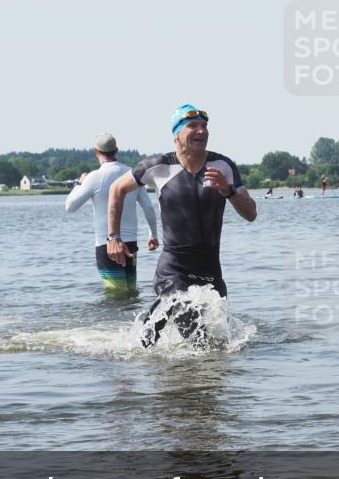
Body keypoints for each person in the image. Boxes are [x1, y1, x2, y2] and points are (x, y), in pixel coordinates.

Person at [107, 105, 257, 346]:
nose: (201, 131)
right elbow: (117, 189)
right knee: (194, 334)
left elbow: (250, 213)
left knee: (212, 342)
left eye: (204, 126)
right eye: (193, 126)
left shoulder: (223, 166)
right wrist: (113, 237)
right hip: (174, 269)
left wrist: (228, 191)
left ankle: (148, 350)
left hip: (211, 270)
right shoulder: (158, 166)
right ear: (176, 134)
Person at [66, 132, 158, 292]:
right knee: (131, 293)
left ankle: (114, 319)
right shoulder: (132, 174)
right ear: (116, 150)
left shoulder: (94, 177)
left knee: (115, 295)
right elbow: (148, 208)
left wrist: (79, 183)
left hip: (107, 244)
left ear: (96, 151)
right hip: (131, 243)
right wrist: (153, 235)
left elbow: (70, 207)